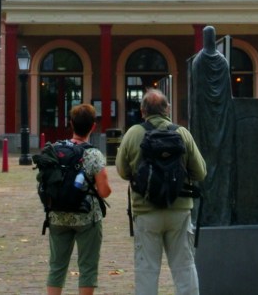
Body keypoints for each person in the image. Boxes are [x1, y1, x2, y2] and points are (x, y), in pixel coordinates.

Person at [116, 89, 207, 295]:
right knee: (184, 267)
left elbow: (122, 170)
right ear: (167, 109)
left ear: (142, 111)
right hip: (179, 209)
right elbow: (200, 172)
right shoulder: (182, 133)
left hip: (145, 210)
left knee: (147, 270)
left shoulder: (133, 133)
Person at [46, 103, 112, 295]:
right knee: (88, 267)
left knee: (56, 266)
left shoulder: (55, 150)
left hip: (57, 215)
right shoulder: (94, 154)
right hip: (87, 217)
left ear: (71, 124)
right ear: (93, 126)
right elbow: (104, 191)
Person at [187, 25, 235, 227]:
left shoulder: (199, 61)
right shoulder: (220, 61)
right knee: (217, 163)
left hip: (205, 124)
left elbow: (196, 97)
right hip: (218, 122)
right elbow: (226, 96)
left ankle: (208, 212)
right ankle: (216, 212)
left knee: (207, 163)